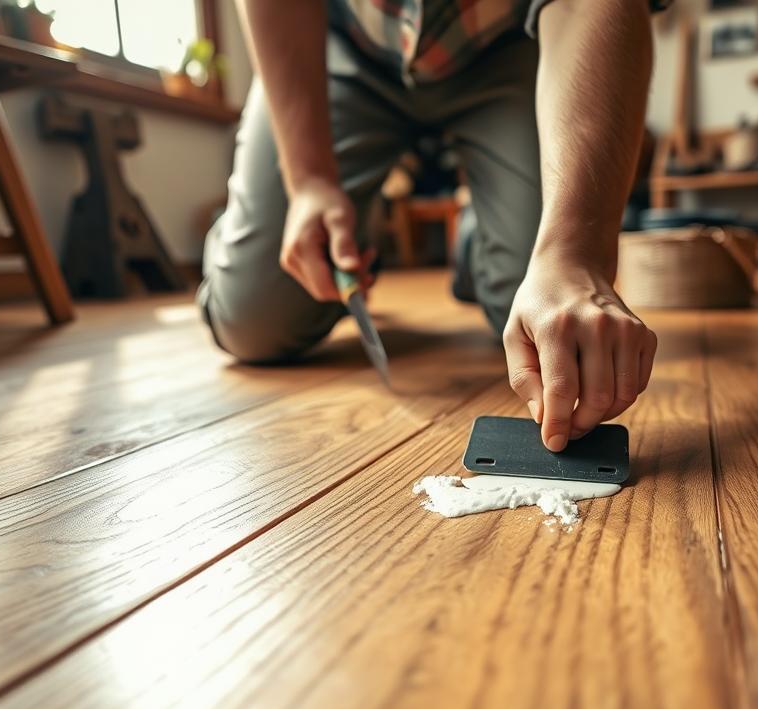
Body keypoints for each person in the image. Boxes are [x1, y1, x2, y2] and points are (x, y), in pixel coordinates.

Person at [199, 0, 662, 452]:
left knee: (540, 317)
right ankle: (259, 225)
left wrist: (573, 254)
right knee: (254, 321)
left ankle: (476, 240)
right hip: (338, 47)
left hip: (510, 45)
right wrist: (308, 182)